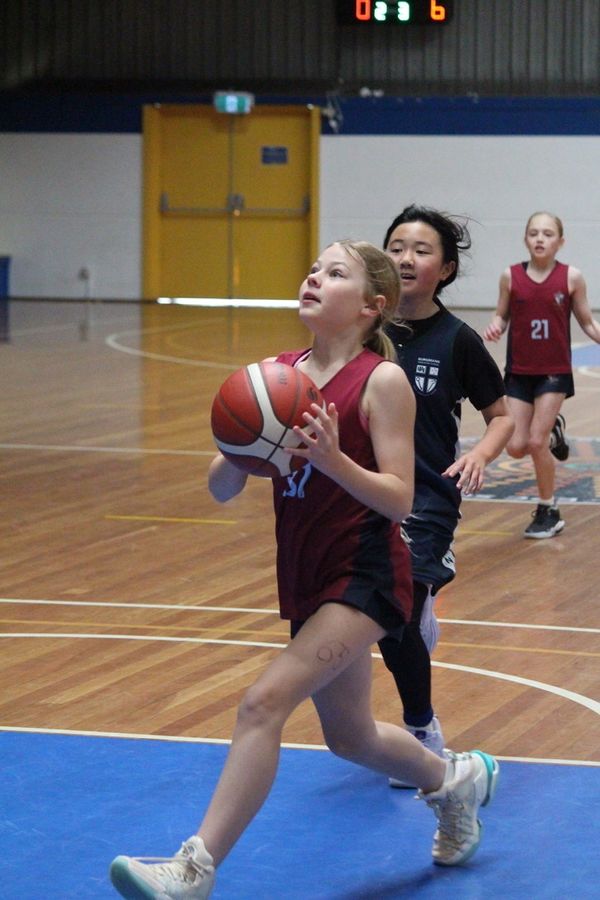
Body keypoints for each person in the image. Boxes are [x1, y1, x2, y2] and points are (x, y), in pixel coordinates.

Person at [109, 241, 499, 899]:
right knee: (350, 738)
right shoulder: (278, 376)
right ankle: (454, 781)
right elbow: (222, 489)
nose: (315, 277)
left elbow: (400, 498)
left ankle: (194, 869)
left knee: (262, 703)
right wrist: (245, 440)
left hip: (366, 574)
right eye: (314, 268)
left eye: (335, 273)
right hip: (307, 575)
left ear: (372, 305)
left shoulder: (382, 380)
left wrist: (330, 459)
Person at [376, 206, 513, 788]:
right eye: (396, 247)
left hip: (426, 496)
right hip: (362, 488)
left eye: (421, 250)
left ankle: (422, 730)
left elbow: (500, 415)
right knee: (374, 618)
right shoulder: (362, 330)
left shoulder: (457, 340)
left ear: (447, 268)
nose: (405, 258)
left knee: (400, 615)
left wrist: (480, 454)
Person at [483, 211, 600, 538]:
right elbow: (501, 315)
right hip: (519, 372)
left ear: (560, 242)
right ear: (525, 239)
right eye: (534, 233)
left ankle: (549, 509)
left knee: (535, 441)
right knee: (516, 446)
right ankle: (554, 434)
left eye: (547, 234)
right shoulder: (510, 276)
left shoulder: (571, 277)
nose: (540, 239)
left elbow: (587, 322)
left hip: (554, 373)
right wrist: (495, 326)